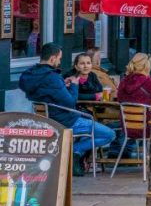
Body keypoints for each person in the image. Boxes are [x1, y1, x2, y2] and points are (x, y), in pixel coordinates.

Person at [20, 42, 116, 176]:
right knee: (110, 134)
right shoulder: (52, 77)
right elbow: (70, 102)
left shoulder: (29, 75)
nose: (59, 62)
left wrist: (62, 85)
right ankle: (74, 151)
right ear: (52, 58)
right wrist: (74, 85)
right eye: (59, 59)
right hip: (65, 120)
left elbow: (48, 91)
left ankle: (75, 158)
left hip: (45, 119)